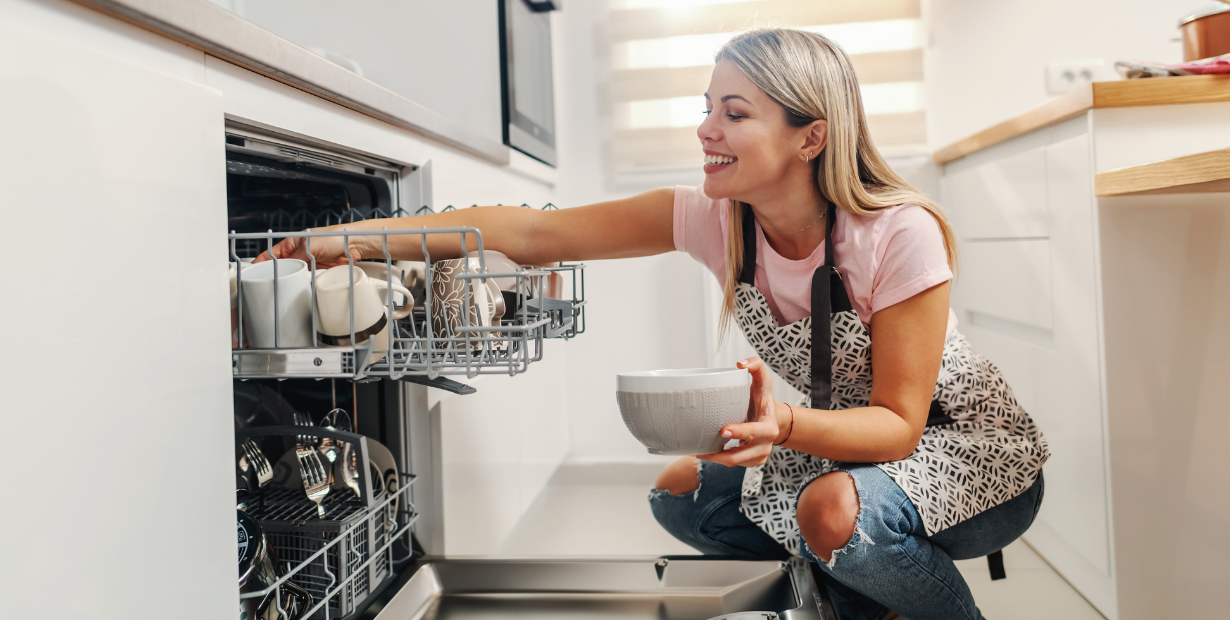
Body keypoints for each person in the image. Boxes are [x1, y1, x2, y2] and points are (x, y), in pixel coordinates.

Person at [257, 28, 1049, 620]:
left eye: (735, 113)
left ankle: (879, 573)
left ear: (811, 136)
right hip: (838, 444)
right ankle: (848, 580)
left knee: (829, 513)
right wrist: (349, 240)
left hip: (971, 458)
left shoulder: (894, 231)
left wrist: (784, 423)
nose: (707, 129)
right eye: (707, 109)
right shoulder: (719, 219)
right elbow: (537, 235)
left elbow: (900, 426)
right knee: (680, 495)